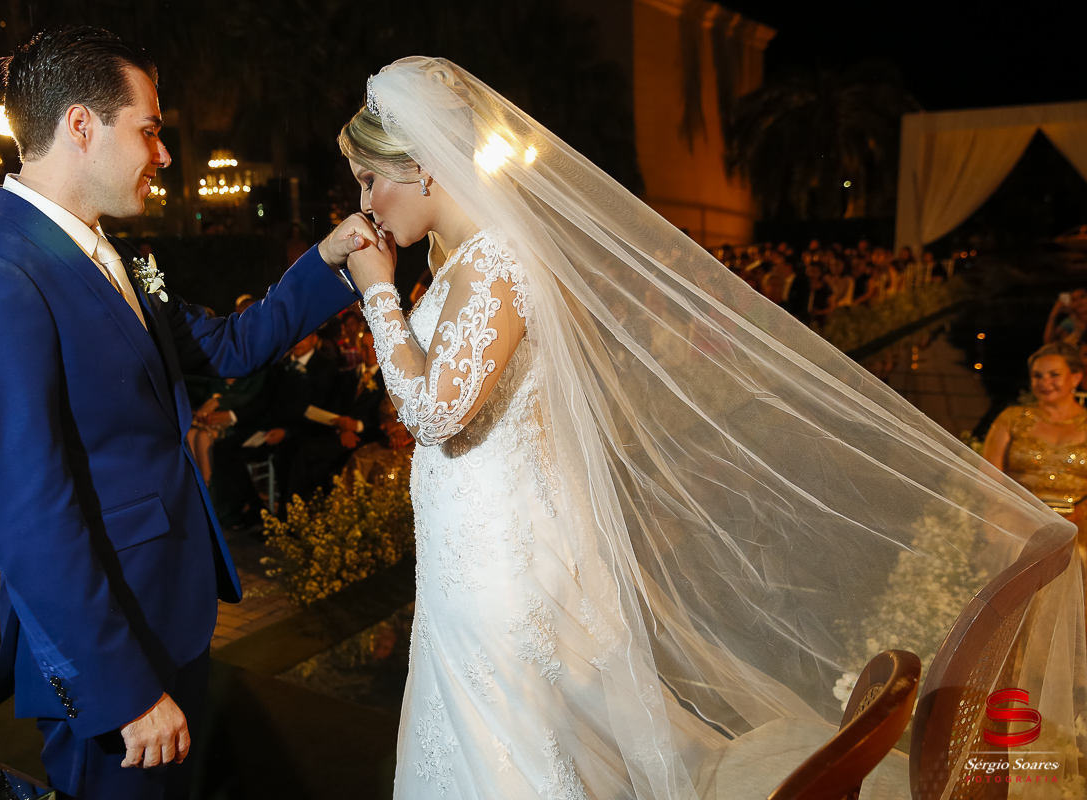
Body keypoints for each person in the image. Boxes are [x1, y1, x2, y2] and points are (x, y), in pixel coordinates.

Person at [339, 57, 1084, 799]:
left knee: (506, 748)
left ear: (426, 167)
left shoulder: (497, 260)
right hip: (469, 545)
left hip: (495, 559)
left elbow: (434, 412)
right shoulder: (463, 260)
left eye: (370, 179)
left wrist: (378, 295)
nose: (363, 201)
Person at [0, 27, 377, 800]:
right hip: (110, 651)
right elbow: (28, 514)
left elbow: (232, 345)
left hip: (168, 608)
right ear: (80, 125)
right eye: (151, 128)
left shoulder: (114, 259)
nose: (164, 154)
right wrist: (121, 690)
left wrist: (332, 260)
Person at [984, 343, 1087, 558]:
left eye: (1054, 375)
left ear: (1075, 378)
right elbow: (987, 479)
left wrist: (1077, 515)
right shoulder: (1011, 419)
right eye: (1038, 376)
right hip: (1017, 517)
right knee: (1018, 548)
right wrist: (1023, 513)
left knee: (1078, 555)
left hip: (1078, 520)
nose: (1045, 382)